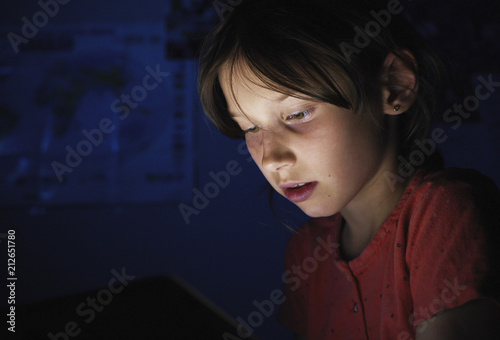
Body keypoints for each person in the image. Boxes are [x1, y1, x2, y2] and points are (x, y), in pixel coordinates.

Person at [198, 0, 500, 338]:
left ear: (395, 85)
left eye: (297, 114)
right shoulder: (305, 253)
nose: (271, 159)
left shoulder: (444, 212)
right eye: (250, 128)